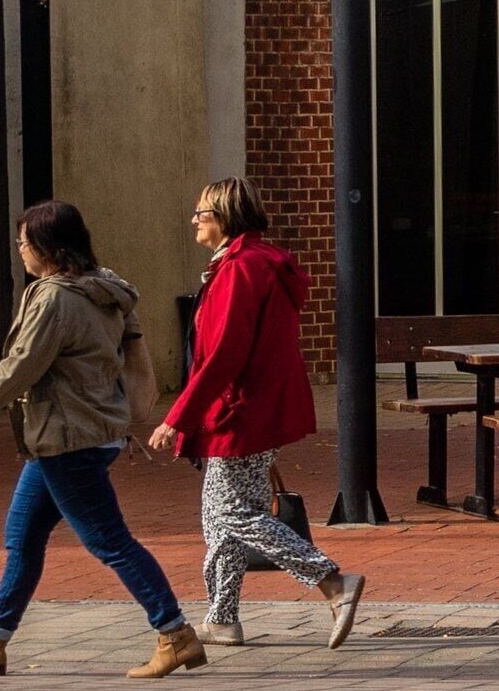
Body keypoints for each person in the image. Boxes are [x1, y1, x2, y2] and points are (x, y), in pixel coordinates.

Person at [0, 200, 202, 679]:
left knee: (110, 542)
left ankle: (175, 633)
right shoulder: (104, 289)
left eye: (24, 244)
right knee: (23, 537)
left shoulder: (55, 298)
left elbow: (19, 369)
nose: (20, 252)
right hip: (88, 431)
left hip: (68, 438)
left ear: (48, 248)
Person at [151, 179, 365, 649]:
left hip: (240, 409)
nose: (195, 219)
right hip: (254, 405)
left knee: (233, 512)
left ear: (225, 217)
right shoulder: (254, 263)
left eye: (202, 212)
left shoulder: (240, 268)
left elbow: (225, 353)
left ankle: (332, 581)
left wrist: (177, 417)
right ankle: (222, 617)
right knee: (218, 514)